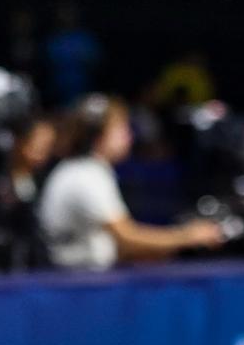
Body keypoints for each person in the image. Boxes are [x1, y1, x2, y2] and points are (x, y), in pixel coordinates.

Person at [36, 93, 225, 270]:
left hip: (79, 280)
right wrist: (189, 236)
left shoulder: (82, 169)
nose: (129, 136)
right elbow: (126, 237)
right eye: (121, 129)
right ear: (98, 137)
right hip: (74, 286)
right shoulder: (86, 174)